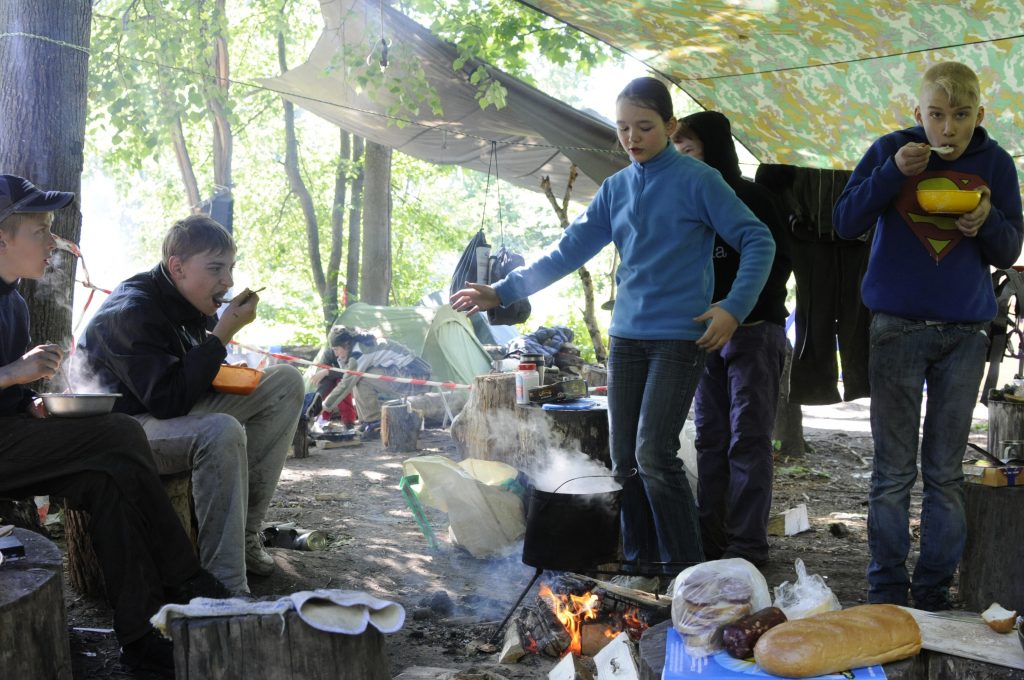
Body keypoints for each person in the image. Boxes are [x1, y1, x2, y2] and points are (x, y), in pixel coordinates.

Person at [450, 77, 775, 588]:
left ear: (670, 127)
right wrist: (503, 290)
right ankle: (644, 568)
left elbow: (758, 239)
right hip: (627, 339)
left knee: (653, 453)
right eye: (623, 128)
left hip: (679, 337)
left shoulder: (699, 180)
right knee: (624, 460)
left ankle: (690, 575)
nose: (632, 138)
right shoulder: (617, 188)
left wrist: (733, 308)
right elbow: (568, 250)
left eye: (644, 127)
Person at [0, 175, 228, 677]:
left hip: (12, 441)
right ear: (3, 238)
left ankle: (140, 636)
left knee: (104, 481)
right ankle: (185, 577)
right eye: (41, 232)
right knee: (121, 434)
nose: (56, 243)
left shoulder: (13, 301)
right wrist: (15, 372)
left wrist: (33, 400)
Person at [833, 61, 1023, 610]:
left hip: (965, 335)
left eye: (960, 116)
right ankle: (887, 591)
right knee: (892, 472)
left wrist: (986, 220)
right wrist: (892, 172)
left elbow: (1010, 249)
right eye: (936, 116)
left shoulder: (996, 164)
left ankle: (934, 595)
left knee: (944, 473)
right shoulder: (891, 150)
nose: (948, 129)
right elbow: (845, 221)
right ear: (918, 115)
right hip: (895, 329)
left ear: (979, 116)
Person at [78, 214, 305, 595]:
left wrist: (219, 351)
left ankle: (247, 536)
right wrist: (220, 337)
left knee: (285, 381)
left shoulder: (188, 302)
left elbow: (183, 381)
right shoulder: (133, 311)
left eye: (230, 268)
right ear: (177, 267)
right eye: (216, 268)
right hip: (123, 432)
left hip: (162, 413)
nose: (229, 282)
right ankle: (227, 586)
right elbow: (166, 401)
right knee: (220, 432)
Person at [672, 111, 793, 568]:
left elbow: (778, 263)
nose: (683, 159)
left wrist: (737, 310)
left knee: (749, 440)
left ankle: (747, 546)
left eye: (691, 150)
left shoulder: (753, 197)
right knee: (710, 438)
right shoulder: (685, 198)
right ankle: (711, 541)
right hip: (703, 337)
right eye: (678, 151)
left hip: (755, 332)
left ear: (716, 150)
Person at [321, 326, 431, 435]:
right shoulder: (357, 345)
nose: (335, 354)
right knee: (361, 376)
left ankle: (374, 422)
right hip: (410, 372)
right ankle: (367, 422)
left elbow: (346, 384)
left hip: (416, 377)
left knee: (361, 378)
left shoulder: (360, 353)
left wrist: (325, 406)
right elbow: (347, 372)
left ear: (346, 345)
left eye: (336, 349)